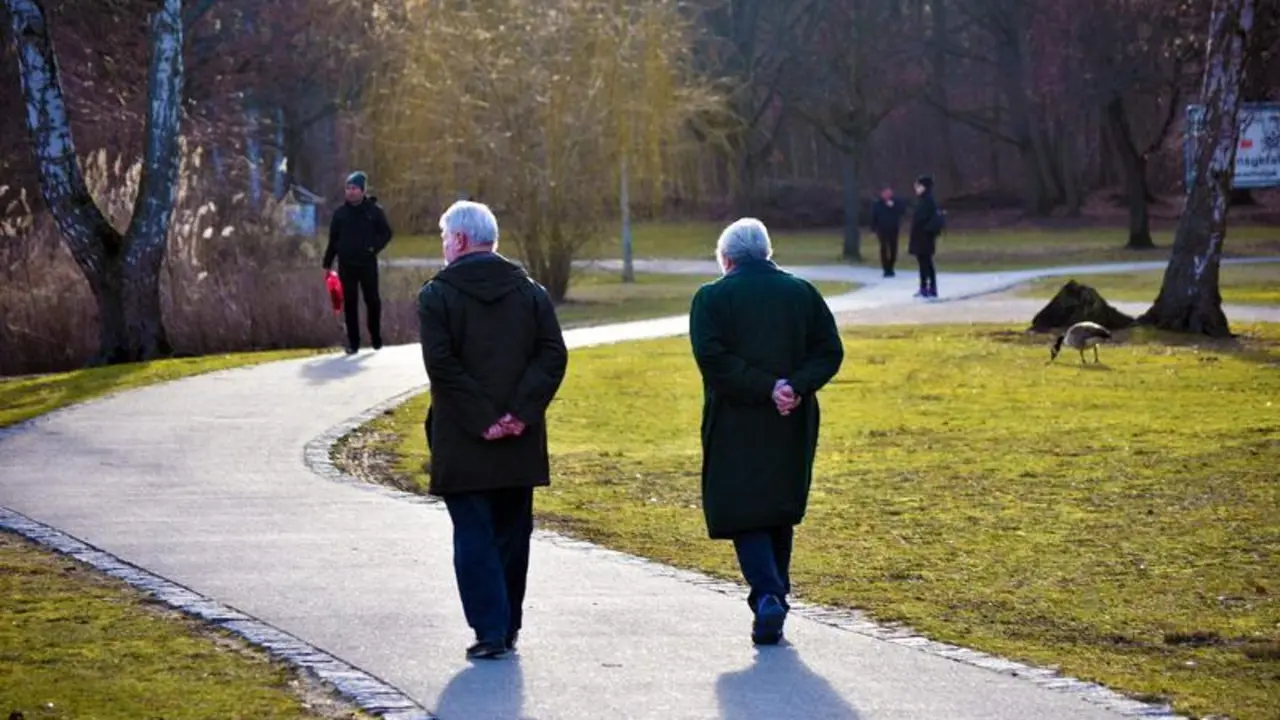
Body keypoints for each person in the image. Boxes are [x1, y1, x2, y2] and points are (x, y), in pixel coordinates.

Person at [417, 200, 568, 660]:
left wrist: (484, 419)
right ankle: (508, 625)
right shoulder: (531, 293)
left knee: (473, 534)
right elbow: (552, 355)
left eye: (445, 237)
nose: (444, 246)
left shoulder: (436, 296)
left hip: (462, 438)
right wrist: (518, 414)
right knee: (511, 533)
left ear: (460, 239)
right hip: (520, 441)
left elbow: (442, 365)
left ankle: (490, 628)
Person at [688, 218, 844, 646]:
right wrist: (794, 386)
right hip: (791, 417)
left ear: (726, 259)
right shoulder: (802, 293)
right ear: (767, 252)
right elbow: (829, 351)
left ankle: (768, 594)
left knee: (744, 508)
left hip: (735, 419)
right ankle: (775, 597)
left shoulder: (711, 298)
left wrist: (765, 386)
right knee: (778, 505)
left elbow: (712, 358)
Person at [323, 171, 393, 353]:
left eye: (354, 188)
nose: (351, 192)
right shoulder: (340, 214)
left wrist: (374, 247)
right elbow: (333, 240)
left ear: (363, 191)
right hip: (346, 265)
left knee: (373, 301)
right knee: (350, 303)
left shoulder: (374, 212)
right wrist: (327, 264)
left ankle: (375, 336)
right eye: (348, 188)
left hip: (367, 263)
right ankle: (353, 343)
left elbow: (386, 233)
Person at [909, 174, 943, 299]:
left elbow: (924, 218)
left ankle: (931, 288)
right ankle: (924, 287)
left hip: (924, 237)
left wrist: (924, 230)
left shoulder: (927, 201)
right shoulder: (923, 200)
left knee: (926, 262)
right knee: (923, 263)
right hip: (921, 236)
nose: (916, 188)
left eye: (918, 186)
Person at [870, 185, 906, 278]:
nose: (887, 195)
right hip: (882, 229)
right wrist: (873, 229)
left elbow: (902, 211)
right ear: (882, 194)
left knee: (893, 248)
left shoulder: (896, 202)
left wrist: (893, 206)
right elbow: (874, 217)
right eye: (885, 193)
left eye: (889, 193)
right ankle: (886, 268)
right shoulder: (877, 204)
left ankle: (891, 266)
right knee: (884, 248)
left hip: (893, 229)